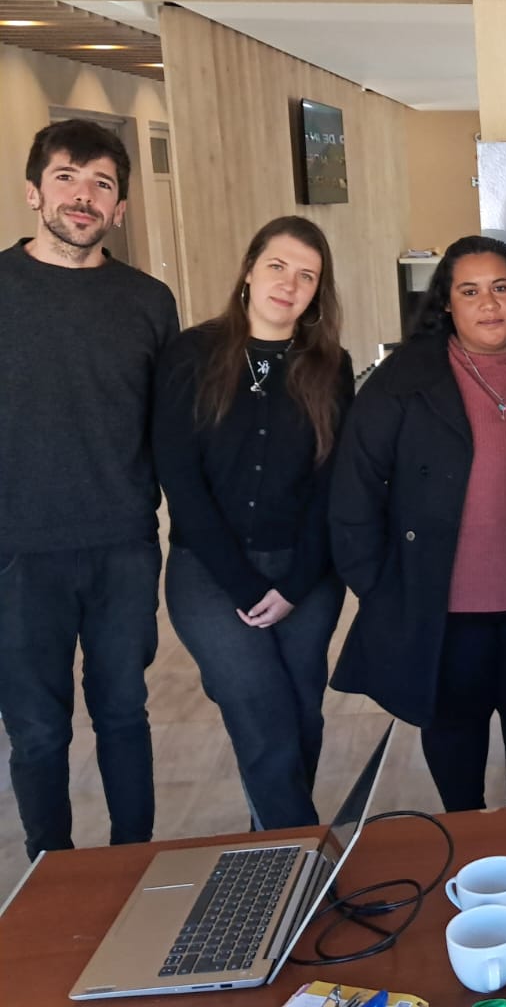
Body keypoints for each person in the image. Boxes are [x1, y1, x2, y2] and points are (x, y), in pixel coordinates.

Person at [331, 236, 506, 811]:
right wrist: (381, 588)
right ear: (446, 303)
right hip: (447, 611)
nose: (489, 303)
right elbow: (353, 489)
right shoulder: (405, 377)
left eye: (501, 287)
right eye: (470, 291)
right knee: (457, 747)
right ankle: (470, 847)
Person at [0, 120, 179, 859]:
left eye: (102, 183)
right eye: (67, 177)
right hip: (18, 554)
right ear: (33, 192)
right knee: (38, 729)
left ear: (120, 208)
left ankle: (133, 860)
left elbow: (169, 428)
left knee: (124, 715)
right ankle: (52, 872)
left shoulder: (149, 301)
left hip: (123, 546)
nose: (84, 195)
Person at [152, 217, 353, 829]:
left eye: (306, 276)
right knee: (262, 713)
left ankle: (274, 841)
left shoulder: (331, 365)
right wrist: (243, 586)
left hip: (305, 572)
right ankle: (303, 853)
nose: (289, 284)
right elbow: (179, 478)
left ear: (317, 292)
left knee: (302, 715)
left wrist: (294, 585)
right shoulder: (192, 353)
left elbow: (332, 485)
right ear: (248, 269)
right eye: (277, 266)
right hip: (210, 574)